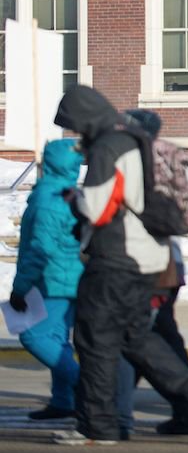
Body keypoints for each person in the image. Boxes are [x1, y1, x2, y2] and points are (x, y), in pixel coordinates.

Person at [51, 85, 188, 446]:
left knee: (95, 340)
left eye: (75, 125)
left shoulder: (108, 146)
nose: (77, 133)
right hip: (150, 257)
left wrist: (74, 199)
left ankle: (99, 427)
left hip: (117, 258)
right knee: (132, 335)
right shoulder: (135, 139)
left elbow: (97, 208)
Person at [114, 108, 188, 440]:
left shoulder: (135, 159)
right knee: (158, 336)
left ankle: (116, 412)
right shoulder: (168, 157)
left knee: (132, 338)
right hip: (168, 261)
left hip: (144, 261)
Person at [9, 139, 84, 422]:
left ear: (49, 164)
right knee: (56, 339)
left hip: (52, 281)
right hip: (67, 279)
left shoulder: (48, 199)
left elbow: (39, 249)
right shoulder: (68, 193)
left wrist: (21, 288)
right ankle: (63, 401)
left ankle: (85, 390)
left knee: (34, 337)